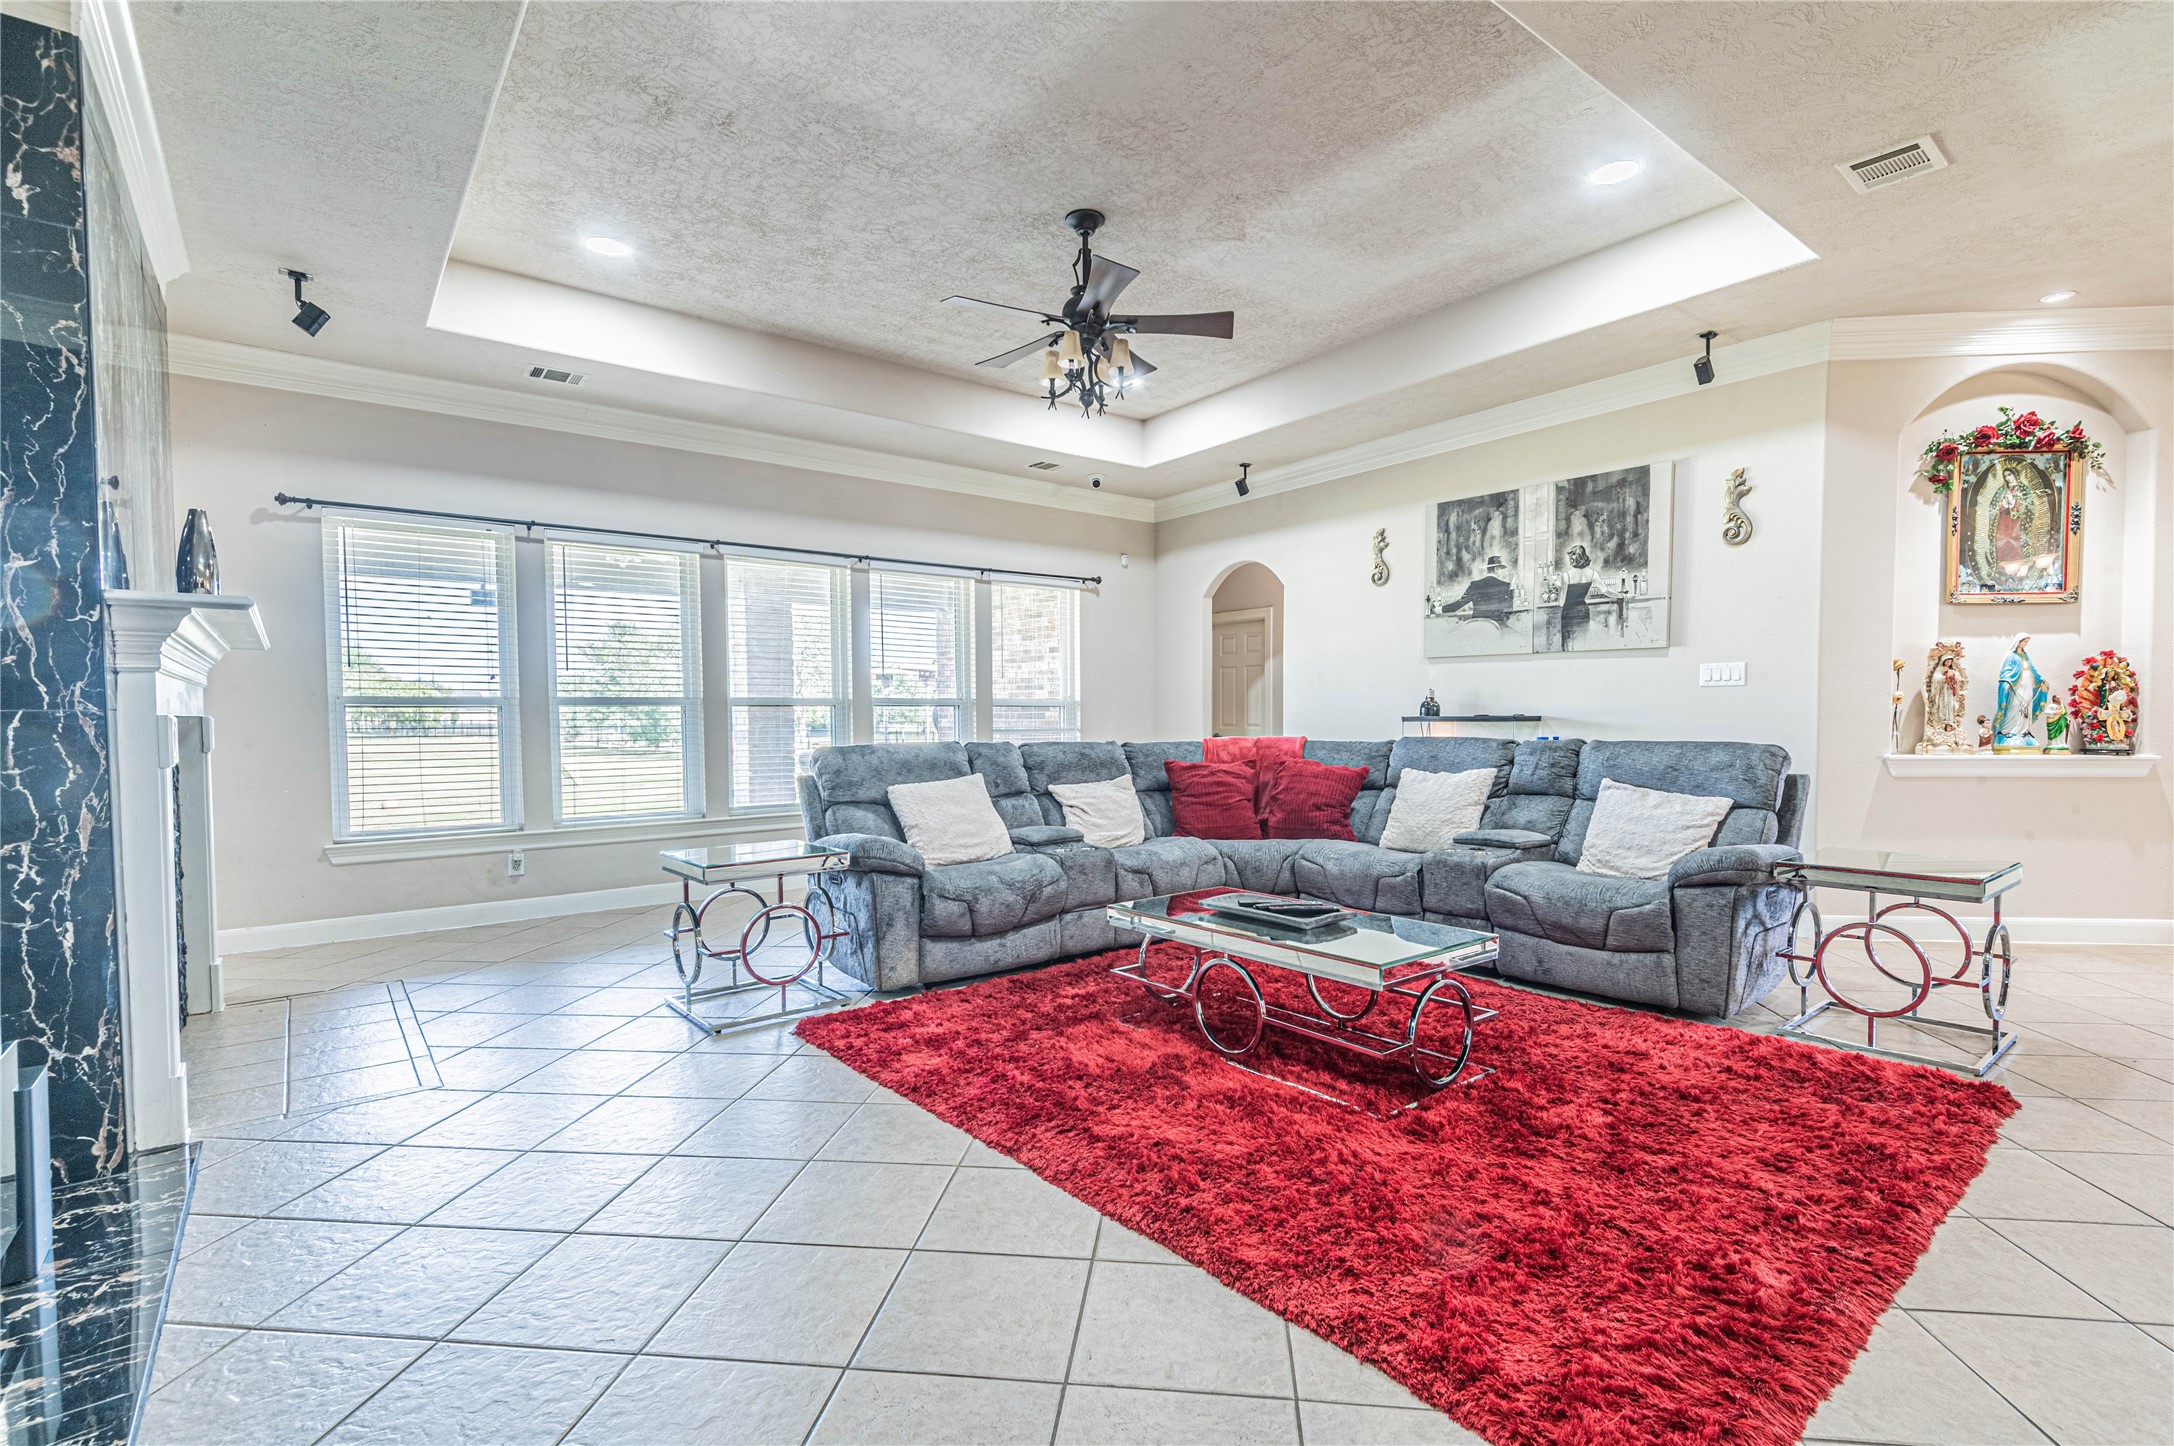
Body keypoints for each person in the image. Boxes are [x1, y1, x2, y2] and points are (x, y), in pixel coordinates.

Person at [1560, 544, 1615, 648]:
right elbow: (1606, 591)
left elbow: (1561, 602)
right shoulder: (1592, 574)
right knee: (1582, 644)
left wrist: (1559, 587)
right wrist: (1621, 595)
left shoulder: (1566, 576)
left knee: (1568, 645)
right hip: (1583, 611)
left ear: (1574, 558)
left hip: (1568, 612)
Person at [1438, 556, 1515, 627]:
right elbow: (1509, 607)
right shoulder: (1505, 585)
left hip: (1478, 626)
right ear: (1496, 569)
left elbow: (1459, 604)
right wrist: (1512, 588)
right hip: (1497, 627)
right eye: (1501, 569)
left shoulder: (1474, 585)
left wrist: (1439, 609)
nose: (1503, 572)